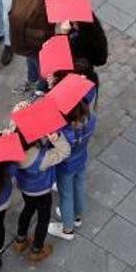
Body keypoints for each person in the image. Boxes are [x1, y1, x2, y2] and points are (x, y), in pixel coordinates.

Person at [10, 101, 71, 263]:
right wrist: (57, 138)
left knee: (27, 209)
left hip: (25, 187)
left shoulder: (12, 144)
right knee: (43, 218)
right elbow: (64, 152)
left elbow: (13, 130)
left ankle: (20, 239)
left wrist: (17, 114)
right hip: (41, 191)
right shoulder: (41, 158)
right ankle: (37, 248)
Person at [47, 94, 96, 241]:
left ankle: (67, 229)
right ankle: (77, 216)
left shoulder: (63, 132)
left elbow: (56, 149)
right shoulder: (91, 119)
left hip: (66, 166)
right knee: (79, 186)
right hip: (81, 158)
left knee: (66, 195)